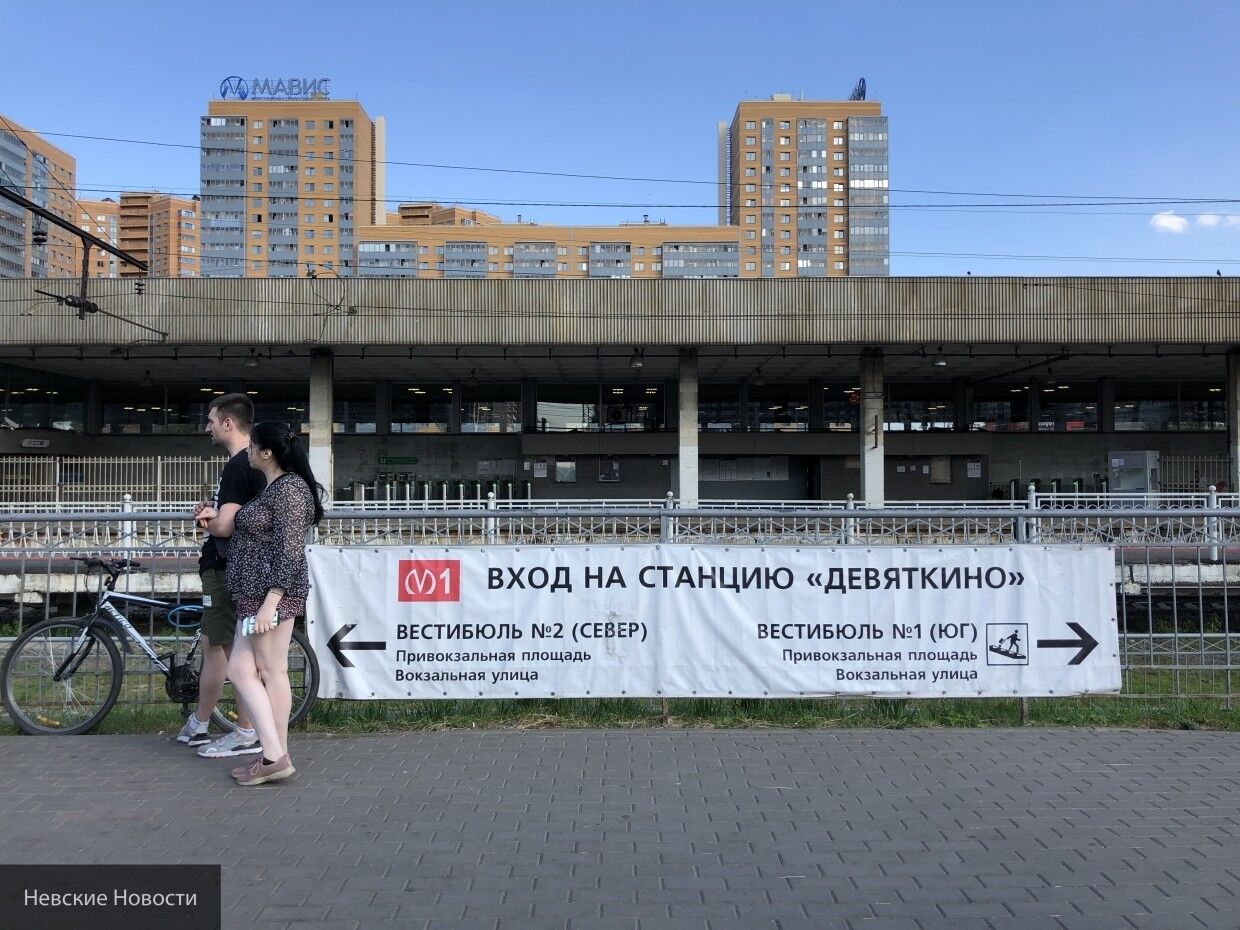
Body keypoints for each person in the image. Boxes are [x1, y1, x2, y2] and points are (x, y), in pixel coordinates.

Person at [220, 422, 323, 786]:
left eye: (253, 447)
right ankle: (274, 753)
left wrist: (271, 603)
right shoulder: (277, 488)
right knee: (253, 670)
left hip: (268, 596)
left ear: (266, 453)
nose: (247, 451)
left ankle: (274, 755)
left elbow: (290, 548)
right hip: (257, 595)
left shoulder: (290, 490)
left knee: (262, 670)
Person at [177, 393, 265, 757]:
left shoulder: (236, 465)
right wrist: (214, 514)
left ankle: (243, 730)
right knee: (233, 650)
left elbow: (226, 527)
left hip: (225, 567)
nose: (207, 427)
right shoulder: (256, 462)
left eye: (211, 420)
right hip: (242, 567)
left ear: (228, 423)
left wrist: (208, 521)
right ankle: (221, 726)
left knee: (227, 650)